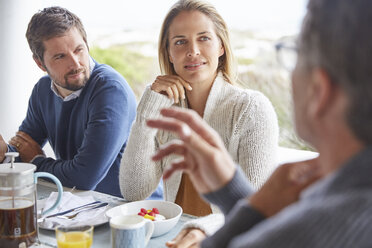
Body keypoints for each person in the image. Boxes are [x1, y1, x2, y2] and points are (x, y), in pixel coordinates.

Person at [147, 0, 372, 246]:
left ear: (319, 90)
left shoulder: (314, 225)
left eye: (295, 54)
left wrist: (249, 206)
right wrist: (233, 192)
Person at [119, 0, 278, 236]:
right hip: (174, 238)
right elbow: (134, 191)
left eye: (203, 38)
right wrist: (147, 110)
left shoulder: (252, 109)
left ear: (221, 47)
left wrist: (200, 230)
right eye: (180, 42)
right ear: (170, 54)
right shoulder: (163, 111)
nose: (192, 51)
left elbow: (253, 207)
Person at [0, 6, 165, 199]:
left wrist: (37, 162)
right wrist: (5, 154)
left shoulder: (110, 89)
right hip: (83, 206)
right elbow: (23, 147)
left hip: (133, 212)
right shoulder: (43, 90)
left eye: (79, 50)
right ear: (40, 63)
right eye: (60, 56)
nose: (76, 63)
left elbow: (85, 177)